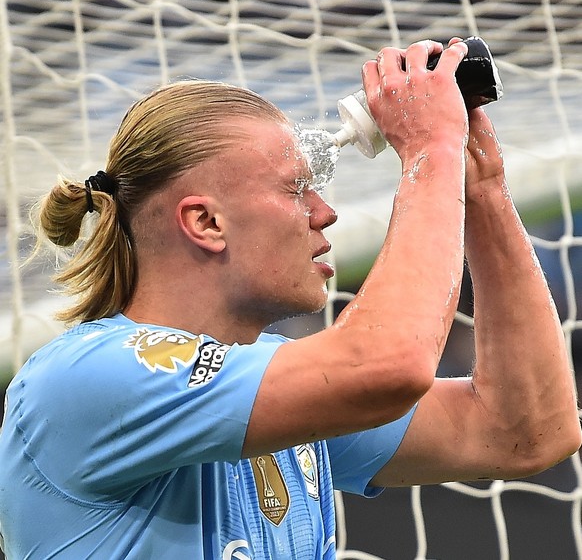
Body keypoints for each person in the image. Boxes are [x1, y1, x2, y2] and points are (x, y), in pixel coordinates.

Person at [0, 38, 579, 560]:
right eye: (295, 188)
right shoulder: (90, 377)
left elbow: (524, 430)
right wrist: (430, 154)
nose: (325, 212)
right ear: (205, 222)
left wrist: (481, 189)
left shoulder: (275, 389)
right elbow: (387, 366)